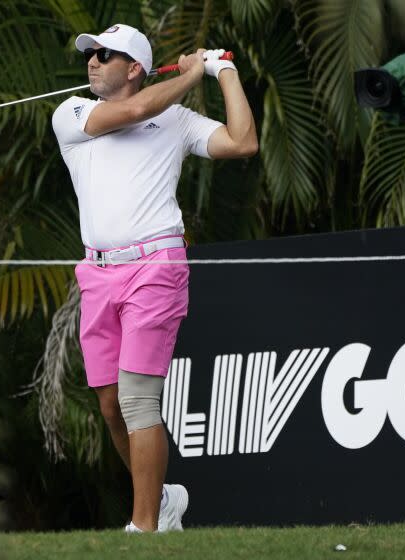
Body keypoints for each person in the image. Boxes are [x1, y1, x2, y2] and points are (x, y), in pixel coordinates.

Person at [51, 23, 257, 533]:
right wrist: (193, 74)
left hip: (157, 267)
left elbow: (243, 142)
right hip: (97, 273)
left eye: (105, 54)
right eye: (90, 54)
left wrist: (222, 70)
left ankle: (144, 530)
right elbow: (138, 110)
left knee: (137, 397)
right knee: (109, 405)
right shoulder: (72, 113)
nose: (93, 61)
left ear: (135, 68)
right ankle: (164, 500)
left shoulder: (179, 122)